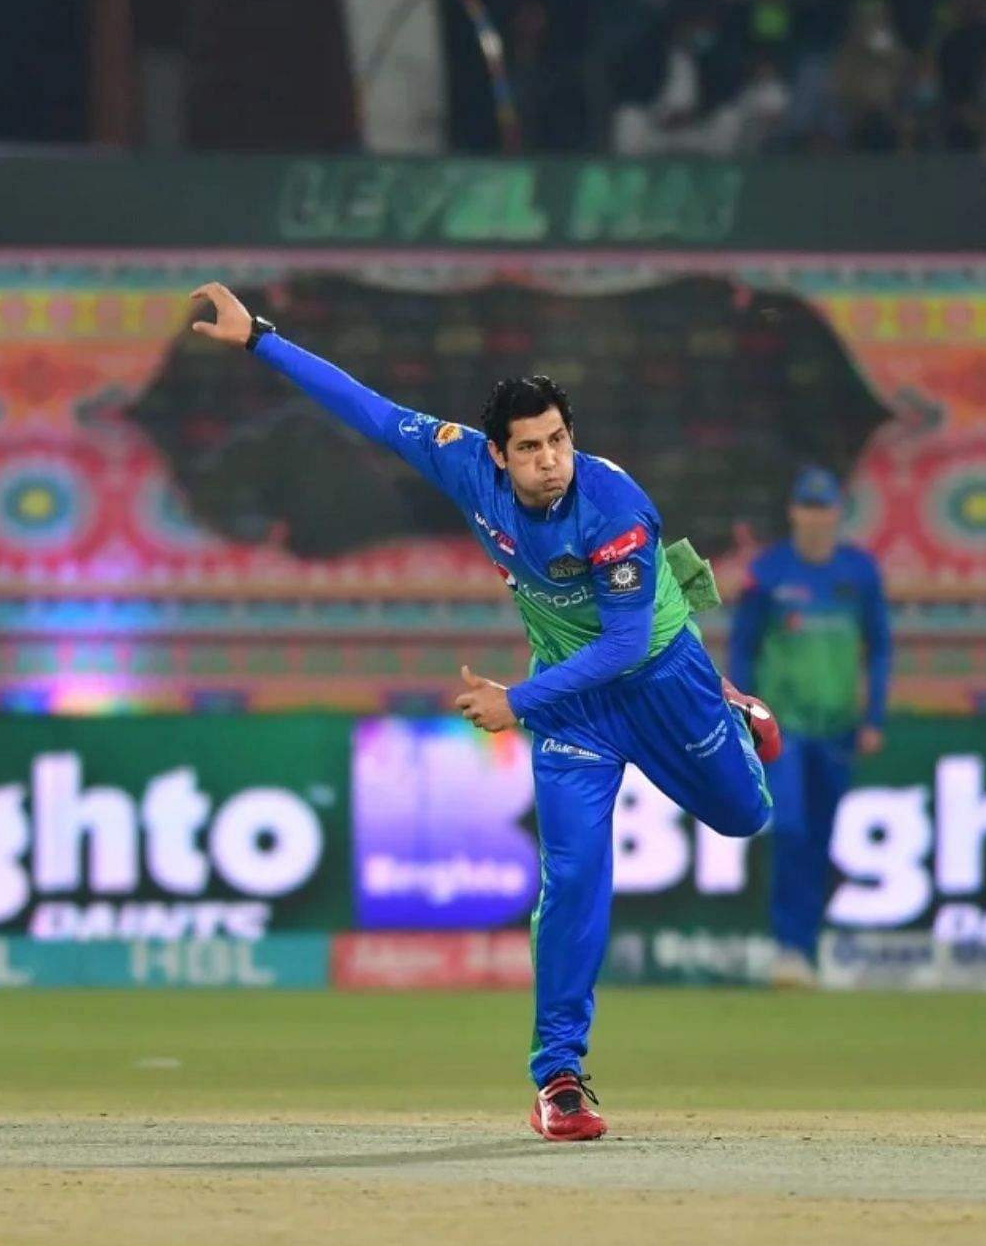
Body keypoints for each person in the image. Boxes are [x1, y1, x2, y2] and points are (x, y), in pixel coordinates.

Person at [188, 283, 782, 1141]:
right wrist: (259, 341)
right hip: (575, 714)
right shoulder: (465, 464)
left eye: (559, 441)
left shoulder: (613, 508)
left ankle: (737, 711)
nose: (551, 460)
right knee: (573, 879)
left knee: (744, 816)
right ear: (497, 456)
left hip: (659, 676)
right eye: (532, 447)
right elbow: (369, 410)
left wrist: (514, 701)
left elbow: (618, 647)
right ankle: (561, 1079)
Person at [728, 468, 891, 988]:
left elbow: (881, 645)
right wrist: (742, 714)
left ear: (837, 514)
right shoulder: (770, 572)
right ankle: (787, 948)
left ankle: (806, 946)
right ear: (794, 513)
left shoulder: (859, 572)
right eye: (807, 509)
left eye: (825, 510)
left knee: (820, 838)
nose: (816, 520)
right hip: (784, 727)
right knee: (792, 827)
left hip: (839, 725)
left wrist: (874, 716)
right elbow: (743, 646)